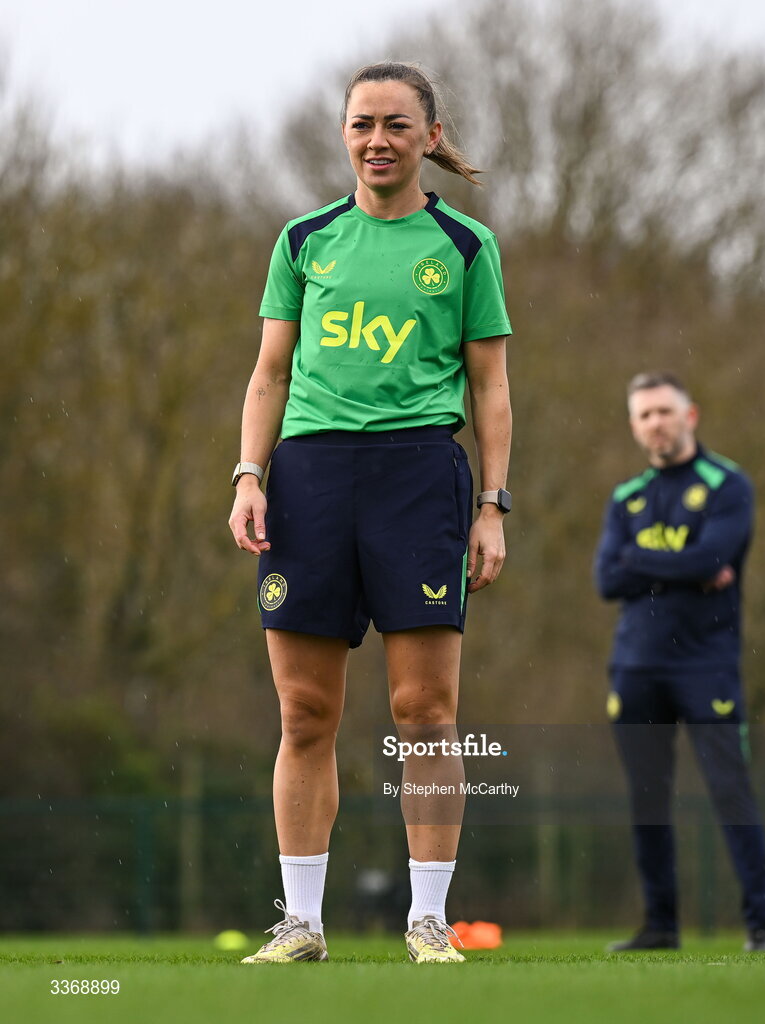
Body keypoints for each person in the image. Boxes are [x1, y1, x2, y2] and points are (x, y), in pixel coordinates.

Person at [228, 61, 512, 965]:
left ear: (430, 137)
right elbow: (269, 373)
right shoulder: (304, 238)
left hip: (419, 477)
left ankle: (429, 920)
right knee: (304, 713)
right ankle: (301, 923)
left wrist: (493, 505)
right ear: (344, 134)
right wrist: (247, 475)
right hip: (308, 481)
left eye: (396, 124)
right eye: (361, 124)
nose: (376, 139)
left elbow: (491, 388)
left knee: (424, 711)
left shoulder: (465, 247)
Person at [594, 371, 765, 953]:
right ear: (634, 426)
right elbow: (606, 579)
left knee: (730, 788)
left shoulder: (727, 485)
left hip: (707, 663)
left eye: (664, 411)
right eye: (644, 415)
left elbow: (715, 556)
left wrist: (643, 560)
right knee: (648, 798)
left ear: (689, 415)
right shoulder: (626, 497)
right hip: (635, 665)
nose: (656, 423)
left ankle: (761, 924)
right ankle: (660, 926)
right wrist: (688, 566)